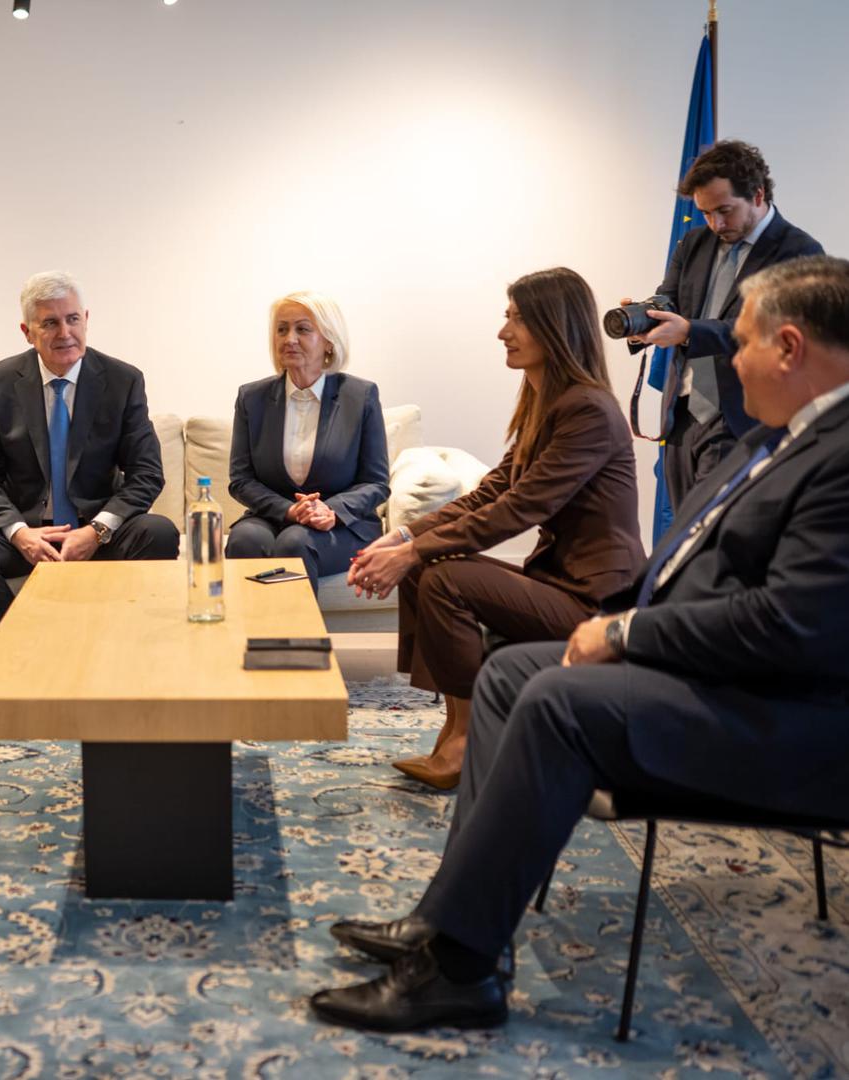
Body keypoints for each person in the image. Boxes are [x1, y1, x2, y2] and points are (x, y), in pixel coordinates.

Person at [310, 255, 849, 1034]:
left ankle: (459, 969)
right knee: (508, 674)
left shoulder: (833, 457)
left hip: (775, 708)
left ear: (790, 347)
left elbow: (790, 624)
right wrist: (411, 536)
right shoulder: (776, 439)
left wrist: (628, 631)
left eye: (740, 343)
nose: (729, 362)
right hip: (699, 657)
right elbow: (507, 493)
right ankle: (447, 917)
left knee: (554, 696)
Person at [345, 268, 643, 790]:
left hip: (598, 603)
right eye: (508, 317)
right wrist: (405, 538)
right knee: (426, 569)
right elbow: (491, 492)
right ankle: (455, 728)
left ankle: (467, 738)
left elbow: (518, 509)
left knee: (443, 576)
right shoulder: (545, 403)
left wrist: (415, 551)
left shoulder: (589, 410)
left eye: (518, 319)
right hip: (560, 583)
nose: (504, 332)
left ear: (555, 325)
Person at [0, 271, 179, 635]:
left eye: (72, 319)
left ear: (86, 320)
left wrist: (97, 530)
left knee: (158, 532)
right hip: (28, 531)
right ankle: (15, 645)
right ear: (27, 332)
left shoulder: (122, 380)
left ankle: (122, 641)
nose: (65, 333)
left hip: (96, 529)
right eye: (50, 323)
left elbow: (147, 473)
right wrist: (19, 533)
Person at [625, 139, 823, 510]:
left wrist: (688, 332)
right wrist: (647, 318)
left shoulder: (799, 251)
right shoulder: (694, 242)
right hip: (683, 413)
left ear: (758, 195)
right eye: (705, 213)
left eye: (724, 211)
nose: (715, 223)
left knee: (714, 533)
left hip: (742, 419)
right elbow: (670, 297)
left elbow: (769, 333)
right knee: (683, 531)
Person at [225, 291, 389, 594]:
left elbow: (376, 482)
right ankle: (248, 627)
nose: (289, 339)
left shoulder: (360, 396)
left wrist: (331, 510)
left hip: (343, 525)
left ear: (329, 341)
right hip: (272, 517)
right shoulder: (252, 398)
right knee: (244, 540)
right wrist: (289, 511)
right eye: (282, 329)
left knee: (295, 542)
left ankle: (297, 628)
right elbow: (241, 480)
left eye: (302, 329)